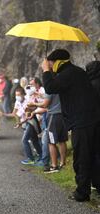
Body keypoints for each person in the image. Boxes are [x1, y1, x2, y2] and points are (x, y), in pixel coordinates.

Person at [42, 49, 100, 201]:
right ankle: (97, 186)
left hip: (81, 122)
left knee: (81, 158)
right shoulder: (77, 72)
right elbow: (58, 83)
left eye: (51, 63)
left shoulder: (67, 74)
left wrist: (46, 71)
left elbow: (50, 87)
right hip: (92, 119)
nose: (50, 65)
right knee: (94, 155)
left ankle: (82, 193)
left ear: (57, 62)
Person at [2, 87, 42, 165]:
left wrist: (20, 123)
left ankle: (31, 158)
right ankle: (41, 156)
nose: (17, 96)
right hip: (25, 123)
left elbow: (28, 116)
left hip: (31, 122)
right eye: (16, 95)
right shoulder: (17, 102)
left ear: (23, 94)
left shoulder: (28, 101)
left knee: (25, 140)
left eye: (19, 95)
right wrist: (3, 114)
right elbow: (14, 114)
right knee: (34, 140)